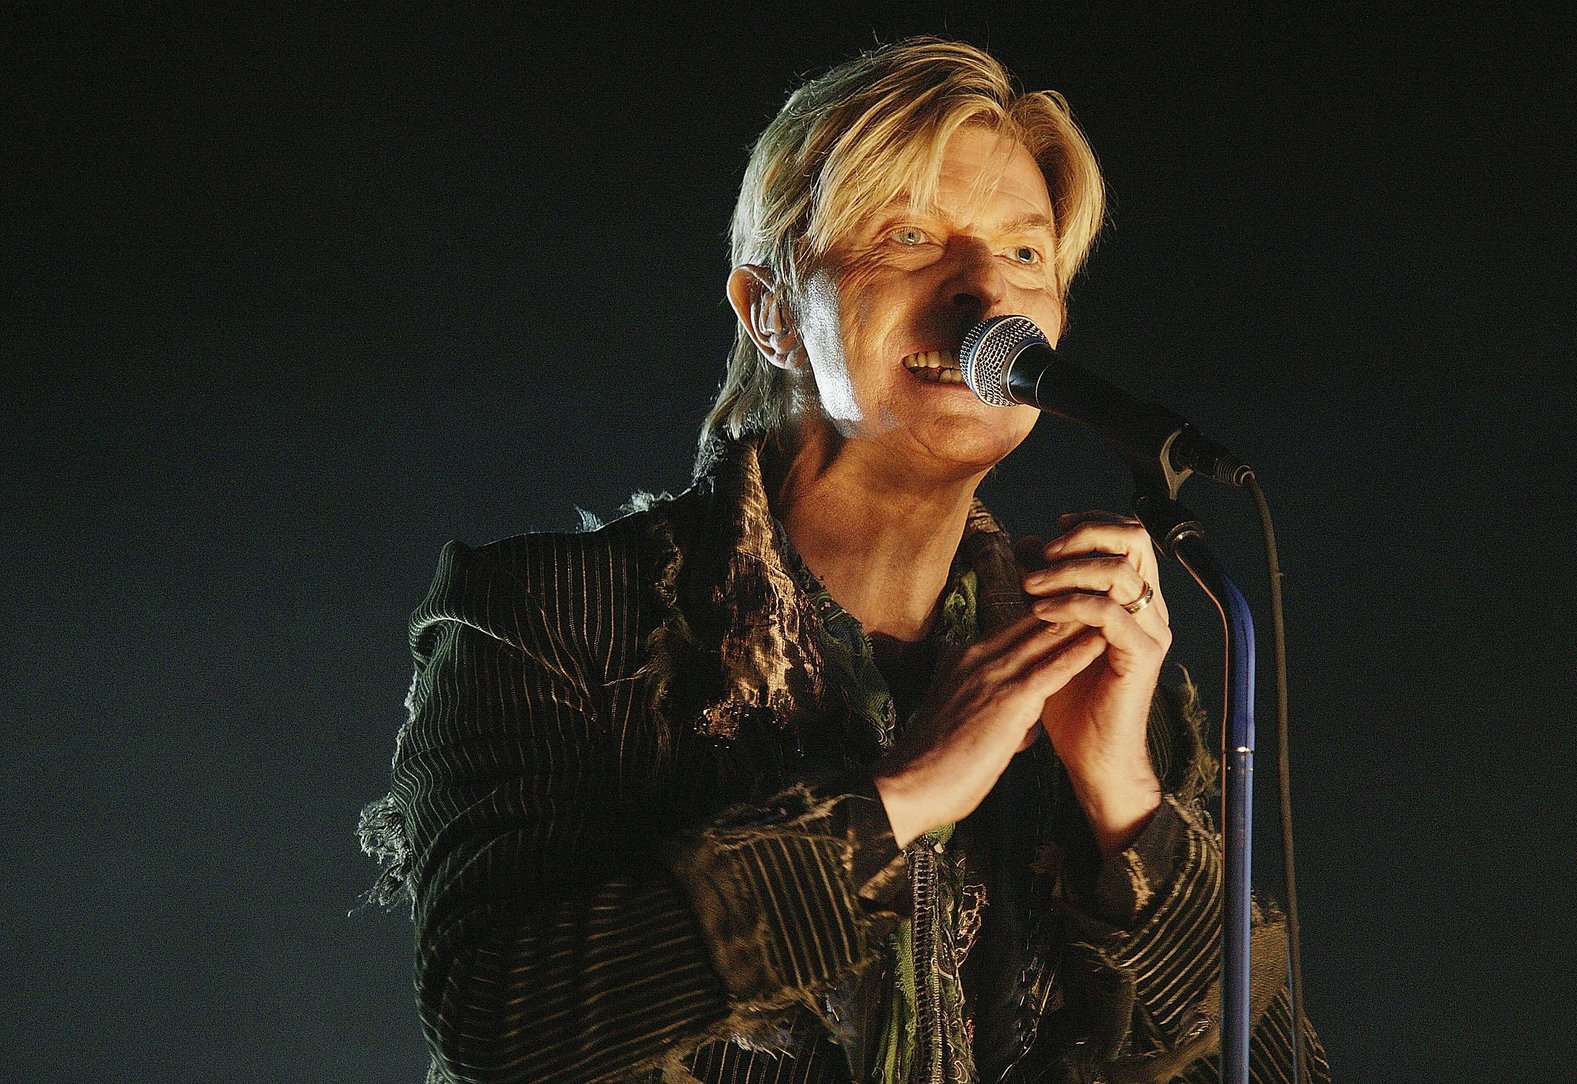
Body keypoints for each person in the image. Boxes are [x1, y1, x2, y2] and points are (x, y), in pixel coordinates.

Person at [359, 37, 1330, 1084]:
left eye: (1023, 253)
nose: (983, 291)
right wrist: (904, 795)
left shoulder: (1091, 664)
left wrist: (1125, 796)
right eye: (908, 236)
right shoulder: (549, 611)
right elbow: (496, 1016)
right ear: (772, 315)